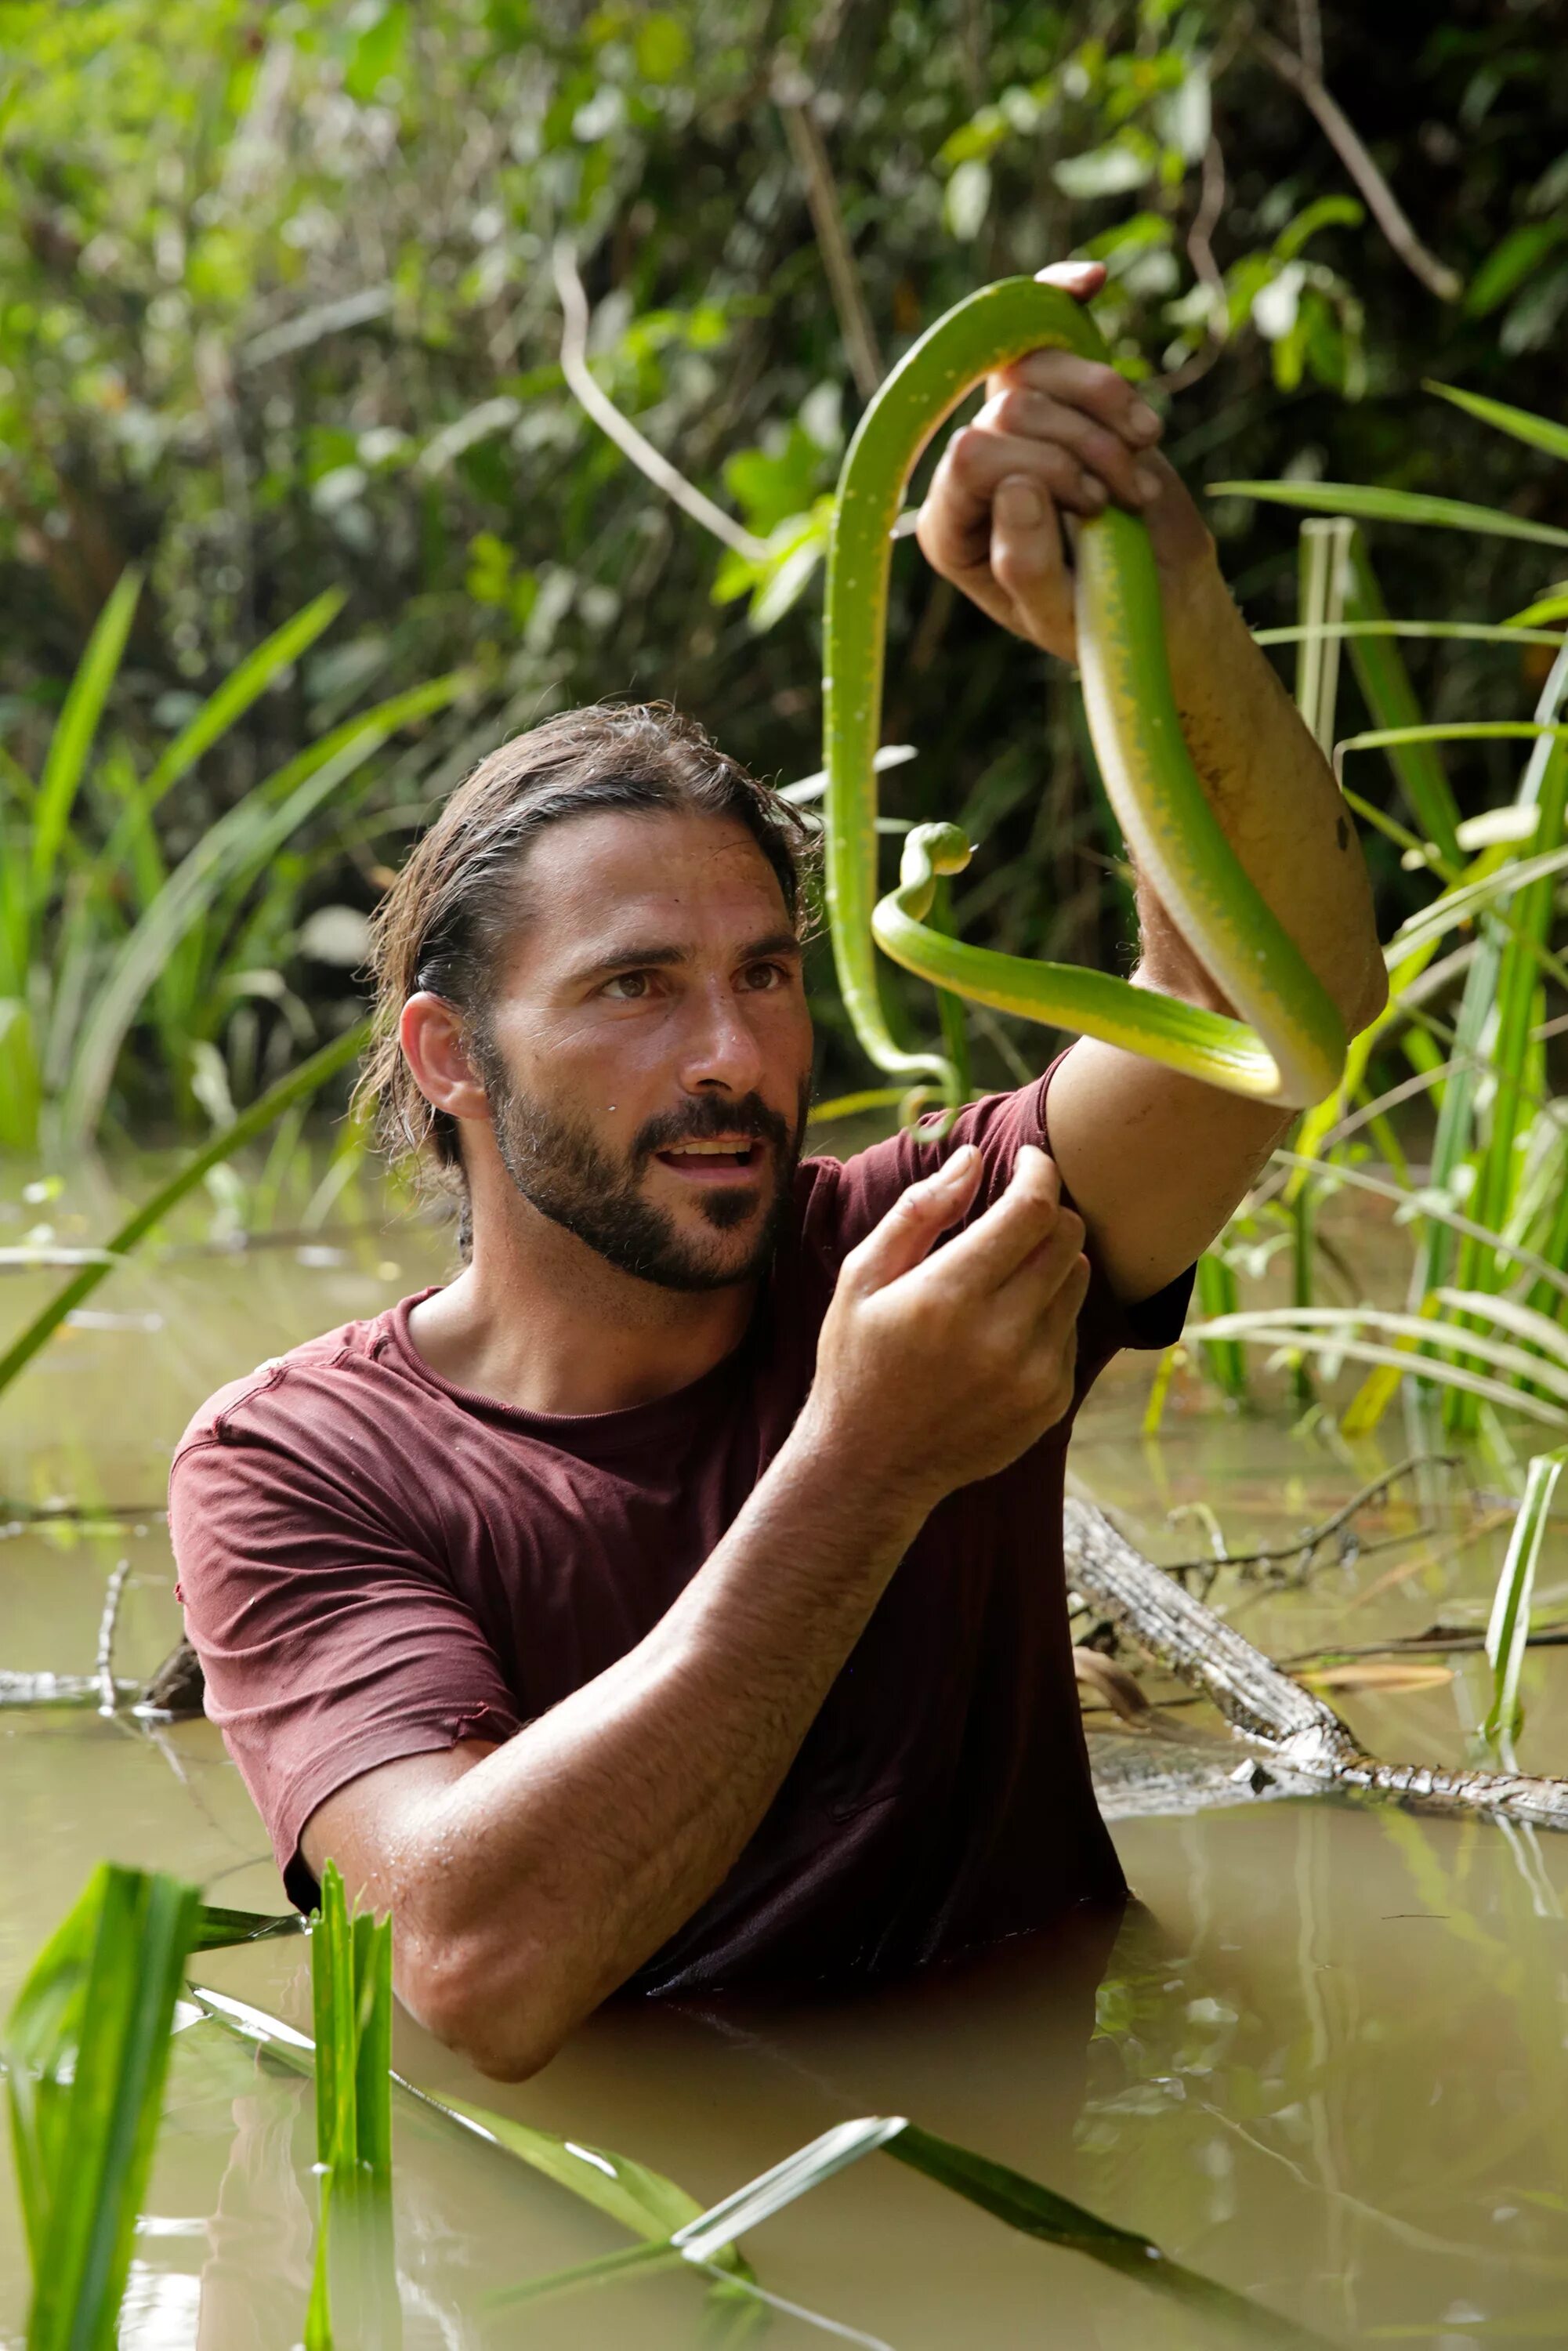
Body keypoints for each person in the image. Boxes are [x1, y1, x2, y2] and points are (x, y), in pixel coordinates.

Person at [170, 262, 1385, 2081]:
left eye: (762, 974)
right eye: (635, 991)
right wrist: (867, 1462)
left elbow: (1275, 1003)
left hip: (1065, 2137)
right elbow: (473, 1964)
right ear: (450, 1059)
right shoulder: (295, 1468)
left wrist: (1154, 604)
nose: (736, 1054)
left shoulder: (916, 1255)